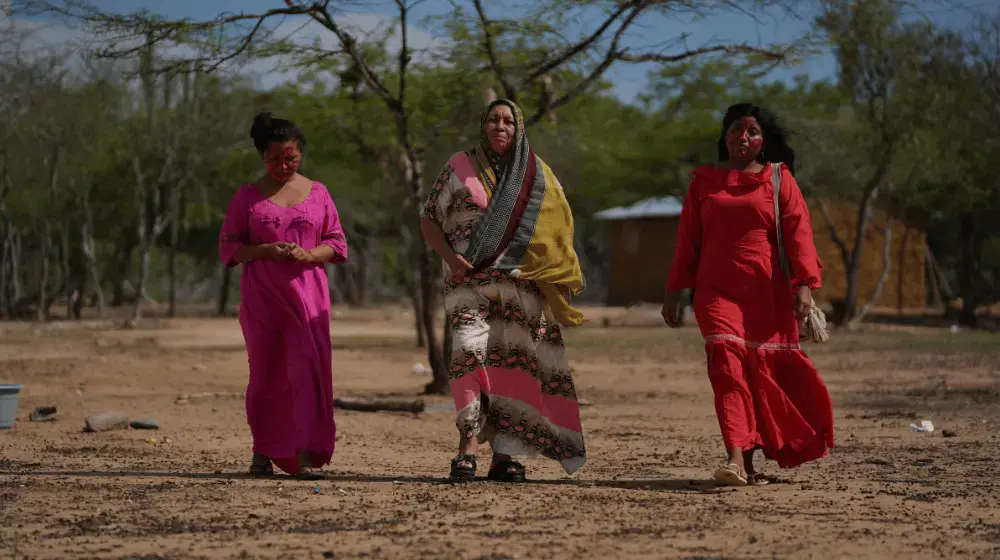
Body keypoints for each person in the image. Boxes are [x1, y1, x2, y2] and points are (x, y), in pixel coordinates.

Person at [661, 102, 834, 487]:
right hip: (715, 292)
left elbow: (799, 233)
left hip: (766, 294)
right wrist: (674, 291)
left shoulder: (778, 179)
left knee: (758, 372)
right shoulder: (704, 183)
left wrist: (804, 285)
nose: (743, 137)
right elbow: (687, 242)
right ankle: (736, 458)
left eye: (752, 131)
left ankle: (751, 461)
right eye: (736, 129)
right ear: (724, 136)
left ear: (763, 140)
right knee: (727, 365)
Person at [419, 99, 587, 482]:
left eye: (508, 120)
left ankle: (505, 457)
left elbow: (558, 227)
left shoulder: (537, 175)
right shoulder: (459, 165)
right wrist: (452, 257)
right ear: (483, 125)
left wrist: (555, 275)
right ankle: (467, 446)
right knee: (468, 354)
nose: (500, 125)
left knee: (512, 367)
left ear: (519, 128)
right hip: (467, 284)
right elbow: (429, 221)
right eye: (493, 119)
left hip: (521, 289)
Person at [218, 110, 348, 480]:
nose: (283, 164)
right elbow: (229, 248)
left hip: (308, 300)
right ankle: (263, 451)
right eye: (274, 158)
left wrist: (308, 254)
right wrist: (266, 251)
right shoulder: (247, 197)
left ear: (301, 153)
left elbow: (337, 244)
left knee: (307, 374)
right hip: (262, 300)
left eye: (290, 157)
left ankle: (305, 455)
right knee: (266, 376)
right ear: (262, 156)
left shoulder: (319, 193)